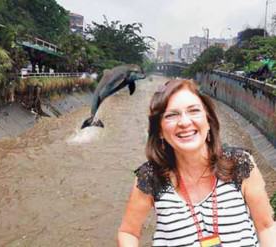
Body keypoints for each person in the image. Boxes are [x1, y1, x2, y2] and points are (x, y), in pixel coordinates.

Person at [118, 79, 275, 246]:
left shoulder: (239, 164)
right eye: (172, 115)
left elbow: (266, 227)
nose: (185, 122)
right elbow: (128, 232)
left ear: (208, 121)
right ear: (160, 131)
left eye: (193, 111)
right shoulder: (151, 177)